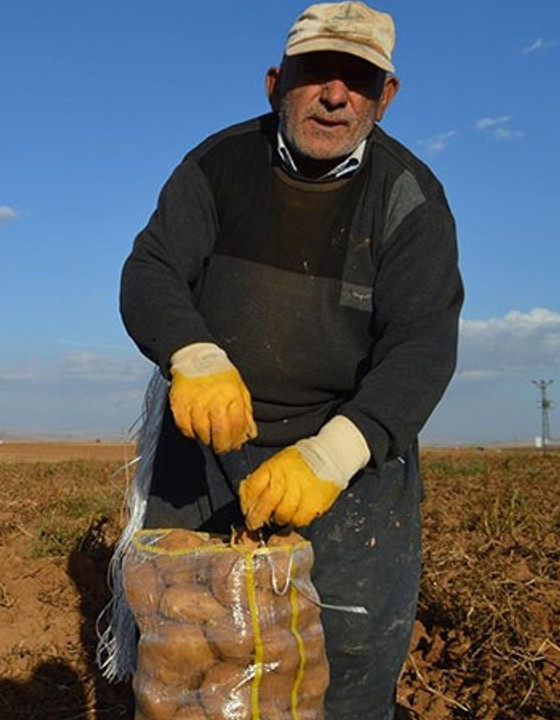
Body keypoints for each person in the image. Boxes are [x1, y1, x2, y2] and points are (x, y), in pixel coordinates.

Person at [117, 3, 462, 718]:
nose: (335, 95)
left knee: (345, 672)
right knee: (186, 659)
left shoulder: (411, 199)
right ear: (276, 82)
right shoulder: (216, 166)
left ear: (385, 97)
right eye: (316, 74)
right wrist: (194, 353)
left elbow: (423, 344)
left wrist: (335, 453)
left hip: (346, 470)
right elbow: (150, 271)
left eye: (359, 79)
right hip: (207, 451)